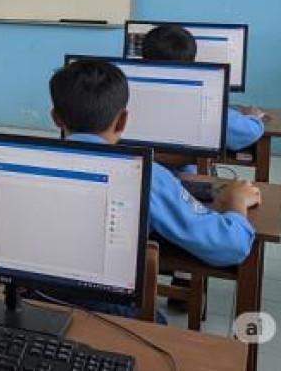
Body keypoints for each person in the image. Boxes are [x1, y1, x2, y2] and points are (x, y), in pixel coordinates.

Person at [50, 60, 258, 268]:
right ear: (123, 121)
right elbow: (230, 246)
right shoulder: (146, 176)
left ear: (56, 118)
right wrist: (237, 200)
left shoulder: (31, 158)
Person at [139, 24, 265, 151]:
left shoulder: (131, 94)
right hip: (186, 165)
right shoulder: (203, 104)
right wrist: (254, 117)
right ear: (192, 62)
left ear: (143, 58)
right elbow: (250, 132)